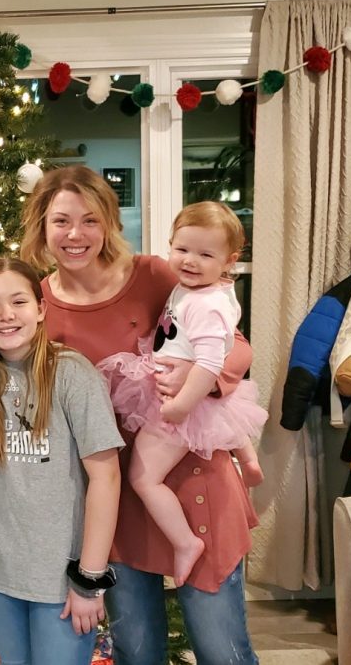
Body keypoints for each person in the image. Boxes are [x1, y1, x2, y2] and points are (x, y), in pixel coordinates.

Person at [20, 165, 260, 665]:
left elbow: (234, 348)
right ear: (41, 225)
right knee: (136, 652)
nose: (76, 234)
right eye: (61, 220)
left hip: (194, 482)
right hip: (115, 502)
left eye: (90, 220)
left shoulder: (156, 274)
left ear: (109, 222)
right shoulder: (37, 305)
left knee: (222, 650)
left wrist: (199, 380)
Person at [96, 201, 267, 586]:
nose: (190, 261)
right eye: (182, 250)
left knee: (143, 478)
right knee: (226, 417)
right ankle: (249, 458)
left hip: (180, 405)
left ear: (229, 260)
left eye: (205, 254)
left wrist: (179, 407)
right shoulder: (201, 290)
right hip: (187, 393)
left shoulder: (205, 304)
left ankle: (185, 542)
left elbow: (211, 363)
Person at [0, 258, 123, 665]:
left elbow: (106, 477)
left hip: (62, 574)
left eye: (18, 301)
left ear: (40, 309)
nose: (6, 315)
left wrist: (89, 578)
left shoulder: (71, 373)